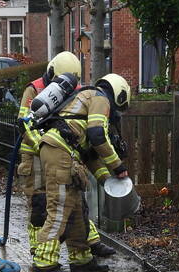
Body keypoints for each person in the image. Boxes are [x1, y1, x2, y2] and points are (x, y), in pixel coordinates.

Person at [30, 73, 130, 272]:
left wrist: (108, 181)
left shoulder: (86, 98)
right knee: (59, 209)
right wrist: (118, 166)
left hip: (63, 152)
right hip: (60, 153)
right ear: (119, 95)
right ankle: (44, 263)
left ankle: (82, 261)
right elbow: (97, 135)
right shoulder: (100, 98)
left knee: (76, 210)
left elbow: (89, 155)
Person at [17, 52, 116, 258]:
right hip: (34, 156)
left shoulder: (73, 90)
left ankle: (90, 242)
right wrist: (44, 145)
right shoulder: (34, 89)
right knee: (40, 204)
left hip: (59, 152)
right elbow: (24, 123)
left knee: (72, 197)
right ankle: (38, 250)